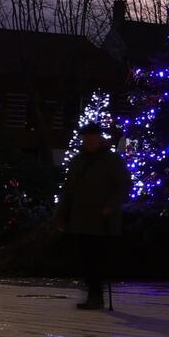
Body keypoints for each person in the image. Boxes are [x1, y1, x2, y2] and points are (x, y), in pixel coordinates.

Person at [56, 125, 132, 310]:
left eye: (92, 137)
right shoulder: (78, 161)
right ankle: (93, 293)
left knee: (96, 259)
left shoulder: (111, 160)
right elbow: (68, 190)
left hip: (101, 220)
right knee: (85, 259)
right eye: (86, 138)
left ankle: (95, 295)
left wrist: (110, 206)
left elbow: (123, 185)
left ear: (99, 138)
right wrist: (61, 214)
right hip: (80, 219)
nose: (89, 141)